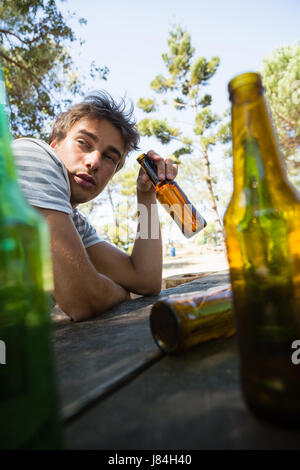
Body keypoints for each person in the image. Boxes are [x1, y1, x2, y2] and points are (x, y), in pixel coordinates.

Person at [12, 91, 178, 321]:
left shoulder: (74, 223)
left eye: (110, 157)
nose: (94, 162)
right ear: (54, 145)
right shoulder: (29, 154)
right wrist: (120, 293)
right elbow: (83, 298)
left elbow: (146, 280)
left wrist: (146, 196)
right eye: (83, 143)